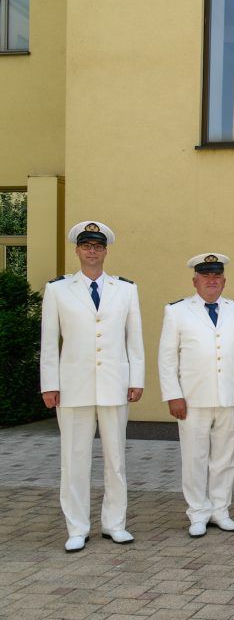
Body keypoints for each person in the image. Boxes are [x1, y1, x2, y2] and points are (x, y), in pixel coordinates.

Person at [40, 221, 144, 552]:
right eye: (86, 246)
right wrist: (49, 384)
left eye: (98, 246)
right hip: (73, 385)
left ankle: (115, 524)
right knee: (74, 460)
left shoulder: (125, 289)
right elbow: (49, 342)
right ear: (77, 250)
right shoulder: (58, 290)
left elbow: (134, 338)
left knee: (116, 459)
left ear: (105, 251)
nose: (92, 252)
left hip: (115, 384)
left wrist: (136, 378)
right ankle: (77, 527)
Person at [158, 253, 234, 538]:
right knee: (194, 459)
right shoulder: (177, 311)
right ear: (195, 281)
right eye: (206, 276)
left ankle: (220, 510)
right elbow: (167, 358)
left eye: (217, 276)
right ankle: (198, 513)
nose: (211, 280)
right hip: (192, 399)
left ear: (224, 281)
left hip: (230, 397)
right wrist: (173, 395)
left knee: (225, 458)